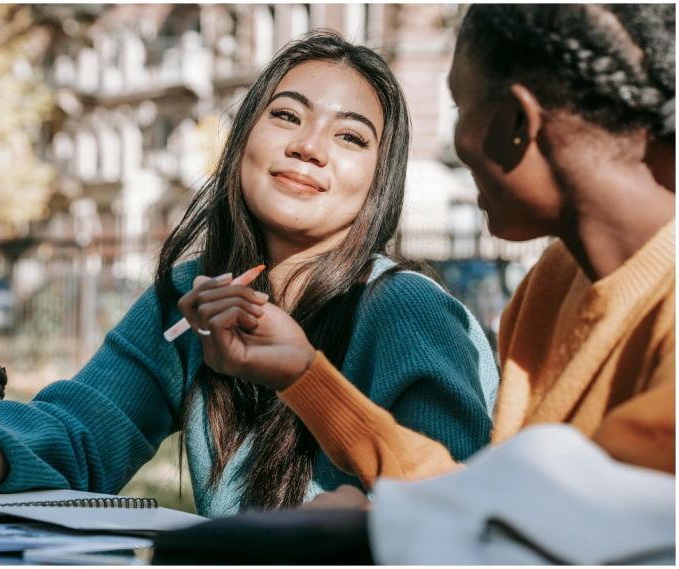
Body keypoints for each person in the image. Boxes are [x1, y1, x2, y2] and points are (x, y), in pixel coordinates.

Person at [0, 30, 499, 516]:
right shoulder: (190, 295)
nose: (309, 146)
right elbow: (85, 428)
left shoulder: (407, 310)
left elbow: (456, 500)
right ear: (242, 141)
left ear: (378, 185)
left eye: (350, 137)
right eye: (286, 116)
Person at [185, 3, 675, 497]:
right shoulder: (554, 283)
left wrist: (369, 533)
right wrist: (303, 374)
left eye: (459, 109)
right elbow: (492, 502)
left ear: (516, 123)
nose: (455, 140)